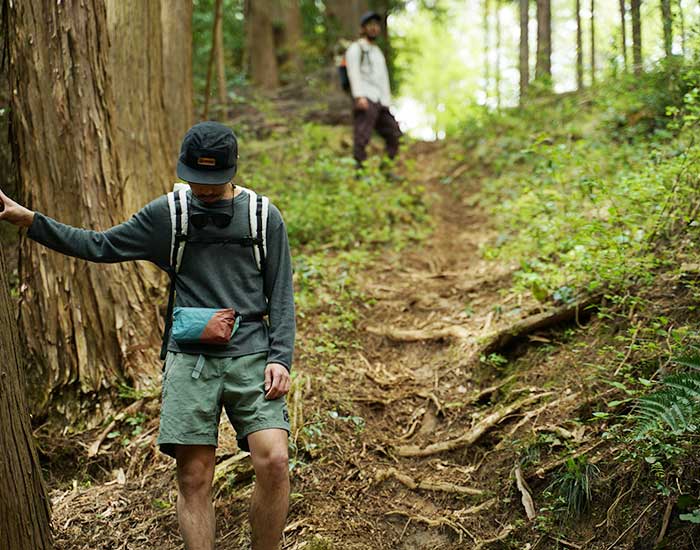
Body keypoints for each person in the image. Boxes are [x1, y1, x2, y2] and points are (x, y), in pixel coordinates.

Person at [0, 121, 295, 550]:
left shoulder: (262, 217)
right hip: (190, 361)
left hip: (253, 354)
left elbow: (281, 293)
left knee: (275, 460)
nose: (205, 190)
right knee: (194, 476)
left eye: (213, 181)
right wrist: (31, 221)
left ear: (233, 170)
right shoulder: (168, 216)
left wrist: (280, 357)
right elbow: (99, 245)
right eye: (197, 180)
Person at [345, 11, 402, 169]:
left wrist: (387, 101)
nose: (374, 29)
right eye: (370, 25)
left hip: (380, 101)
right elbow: (353, 72)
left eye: (376, 25)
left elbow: (383, 79)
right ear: (363, 28)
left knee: (394, 134)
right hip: (365, 97)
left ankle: (386, 169)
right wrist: (359, 96)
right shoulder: (356, 49)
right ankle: (359, 172)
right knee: (362, 137)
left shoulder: (377, 52)